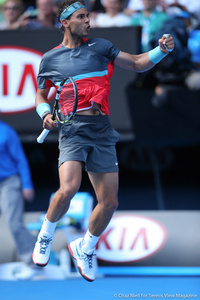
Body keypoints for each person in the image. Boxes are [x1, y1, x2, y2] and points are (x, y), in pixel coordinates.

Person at [32, 0, 174, 282]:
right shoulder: (50, 59)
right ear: (65, 22)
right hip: (72, 129)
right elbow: (40, 94)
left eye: (88, 16)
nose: (88, 21)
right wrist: (45, 112)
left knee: (109, 202)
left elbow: (136, 63)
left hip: (102, 128)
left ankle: (85, 247)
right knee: (68, 188)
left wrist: (162, 50)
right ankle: (45, 236)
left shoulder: (101, 46)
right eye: (82, 17)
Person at [0, 120, 39, 280]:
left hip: (9, 182)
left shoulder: (6, 132)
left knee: (14, 224)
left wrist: (26, 184)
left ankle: (34, 262)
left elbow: (20, 159)